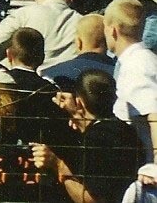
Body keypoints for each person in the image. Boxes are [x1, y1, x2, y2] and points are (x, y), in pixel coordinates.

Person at [32, 69, 145, 203]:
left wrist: (57, 165)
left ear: (79, 102)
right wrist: (77, 115)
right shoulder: (127, 130)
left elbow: (91, 200)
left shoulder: (95, 140)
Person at [104, 0, 157, 161]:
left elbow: (154, 113)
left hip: (146, 171)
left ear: (113, 30)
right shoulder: (136, 60)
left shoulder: (138, 63)